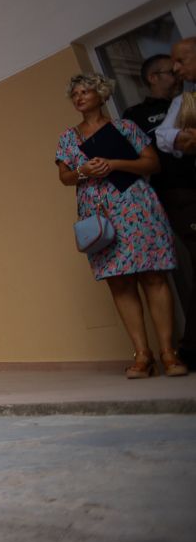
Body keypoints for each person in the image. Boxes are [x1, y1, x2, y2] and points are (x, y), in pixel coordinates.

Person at [56, 73, 185, 378]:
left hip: (135, 206)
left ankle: (169, 353)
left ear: (101, 94)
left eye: (85, 91)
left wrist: (114, 164)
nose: (79, 97)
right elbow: (65, 177)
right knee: (119, 281)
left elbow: (152, 163)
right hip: (99, 215)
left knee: (153, 275)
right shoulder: (67, 138)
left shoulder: (125, 127)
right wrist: (84, 171)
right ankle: (142, 355)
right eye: (75, 94)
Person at [124, 53, 196, 364]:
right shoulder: (135, 116)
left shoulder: (186, 102)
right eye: (171, 71)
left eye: (181, 67)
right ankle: (189, 347)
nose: (178, 74)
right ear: (153, 77)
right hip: (173, 194)